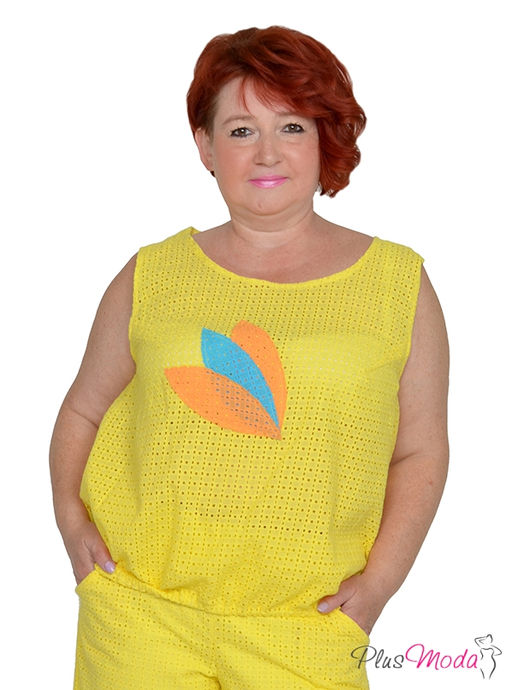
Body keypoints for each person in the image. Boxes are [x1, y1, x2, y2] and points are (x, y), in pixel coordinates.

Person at [50, 25, 449, 690]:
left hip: (307, 626)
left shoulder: (396, 284)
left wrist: (379, 585)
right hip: (139, 615)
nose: (267, 152)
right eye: (241, 130)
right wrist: (71, 523)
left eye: (291, 126)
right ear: (206, 146)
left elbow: (420, 451)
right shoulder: (152, 274)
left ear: (324, 137)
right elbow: (82, 411)